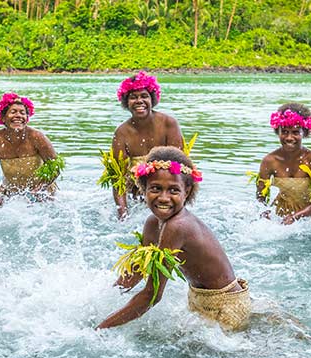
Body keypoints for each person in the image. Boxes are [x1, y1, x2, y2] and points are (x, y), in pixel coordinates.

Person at [97, 146, 252, 331]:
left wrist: (101, 328)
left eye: (173, 190)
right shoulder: (152, 223)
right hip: (200, 300)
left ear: (186, 191)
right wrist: (104, 298)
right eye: (155, 188)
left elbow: (152, 295)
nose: (163, 198)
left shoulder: (178, 226)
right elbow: (139, 271)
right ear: (143, 188)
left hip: (228, 307)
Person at [110, 71, 184, 219]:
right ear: (126, 102)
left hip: (165, 194)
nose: (139, 101)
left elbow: (180, 170)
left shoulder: (168, 124)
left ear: (152, 99)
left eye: (144, 96)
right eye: (133, 97)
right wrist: (123, 216)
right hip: (136, 197)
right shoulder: (121, 133)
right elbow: (117, 180)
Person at [255, 103, 311, 224]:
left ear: (305, 133)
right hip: (280, 215)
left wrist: (295, 217)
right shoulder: (270, 161)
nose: (289, 137)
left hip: (309, 219)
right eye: (285, 132)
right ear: (278, 131)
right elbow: (261, 199)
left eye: (295, 132)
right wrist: (265, 214)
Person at [0, 92, 60, 206]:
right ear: (3, 118)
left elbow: (55, 167)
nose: (18, 116)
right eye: (13, 112)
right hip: (11, 193)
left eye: (22, 113)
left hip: (43, 194)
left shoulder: (37, 137)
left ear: (27, 118)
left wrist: (37, 190)